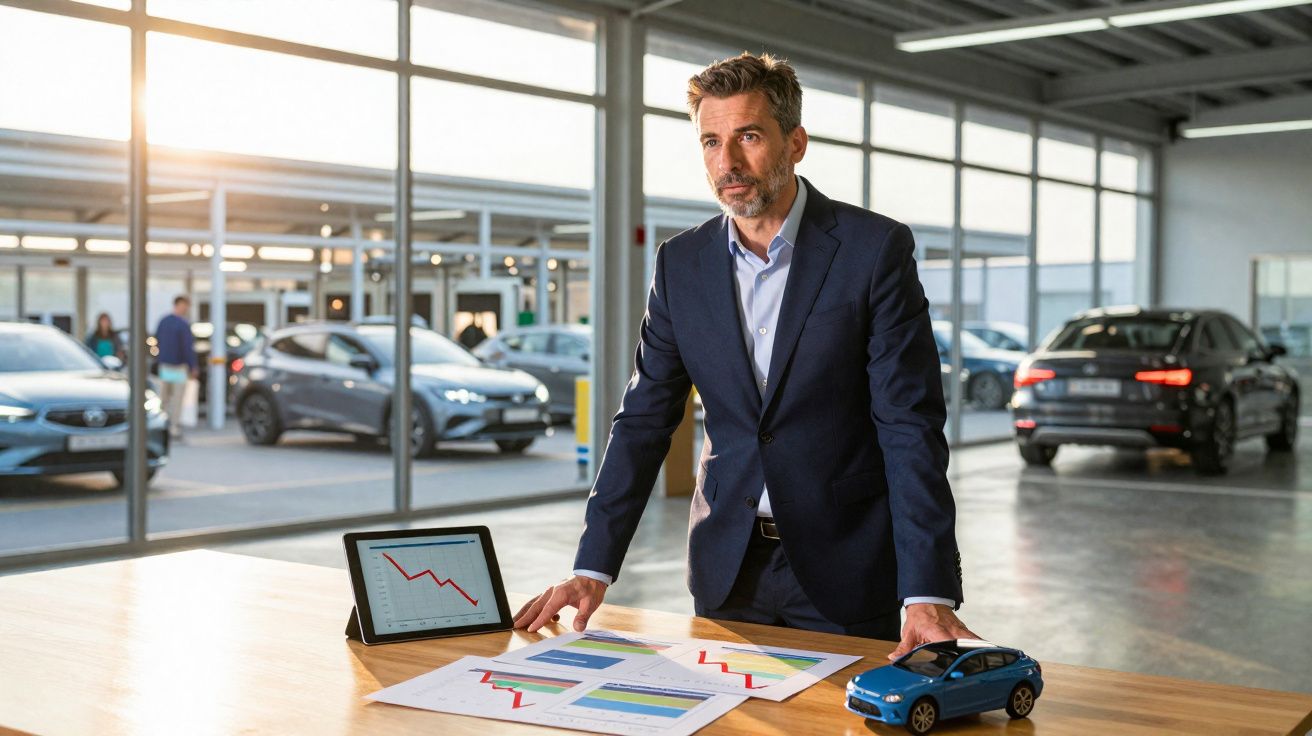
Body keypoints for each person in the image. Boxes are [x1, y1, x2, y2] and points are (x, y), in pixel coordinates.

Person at [514, 53, 976, 659]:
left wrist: (926, 590)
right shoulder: (680, 264)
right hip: (727, 567)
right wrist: (592, 567)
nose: (727, 162)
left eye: (748, 137)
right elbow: (644, 419)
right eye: (711, 142)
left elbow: (908, 424)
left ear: (796, 143)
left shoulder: (873, 250)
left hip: (846, 563)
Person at [155, 295, 197, 441]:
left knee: (166, 398)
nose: (185, 309)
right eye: (184, 306)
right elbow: (187, 348)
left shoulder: (164, 321)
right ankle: (171, 427)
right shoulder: (182, 324)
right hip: (176, 367)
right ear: (178, 305)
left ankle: (165, 426)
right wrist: (193, 366)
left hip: (168, 365)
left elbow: (157, 341)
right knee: (174, 398)